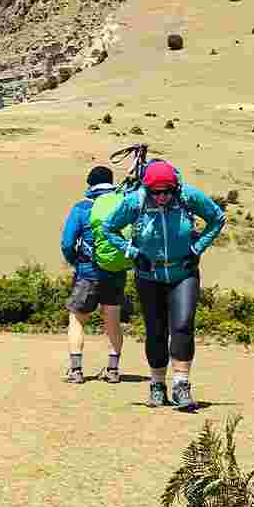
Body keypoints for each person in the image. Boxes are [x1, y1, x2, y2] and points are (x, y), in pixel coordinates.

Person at [102, 160, 226, 411]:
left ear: (175, 188)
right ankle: (157, 386)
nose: (162, 197)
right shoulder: (135, 201)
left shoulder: (188, 196)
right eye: (156, 192)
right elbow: (108, 228)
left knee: (182, 326)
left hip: (184, 271)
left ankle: (181, 385)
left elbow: (217, 218)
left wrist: (197, 248)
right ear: (147, 189)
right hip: (149, 275)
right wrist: (133, 252)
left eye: (167, 191)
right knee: (156, 331)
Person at [59, 166, 127, 384]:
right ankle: (113, 370)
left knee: (78, 319)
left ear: (90, 184)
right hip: (116, 271)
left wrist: (75, 262)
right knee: (113, 321)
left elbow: (68, 242)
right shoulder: (122, 205)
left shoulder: (81, 208)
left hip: (87, 272)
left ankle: (76, 370)